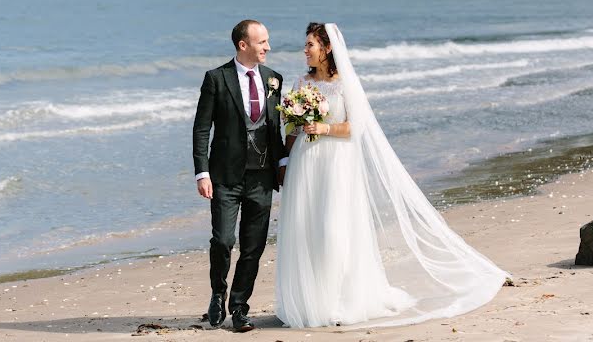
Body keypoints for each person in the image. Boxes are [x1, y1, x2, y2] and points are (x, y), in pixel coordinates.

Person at [275, 23, 508, 329]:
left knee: (333, 230)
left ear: (327, 48)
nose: (305, 51)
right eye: (305, 46)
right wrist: (284, 162)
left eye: (310, 45)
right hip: (306, 163)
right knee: (307, 231)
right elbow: (291, 128)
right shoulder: (300, 82)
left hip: (336, 164)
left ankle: (337, 302)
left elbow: (355, 128)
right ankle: (309, 302)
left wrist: (325, 127)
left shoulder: (344, 83)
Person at [192, 19, 288, 332]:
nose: (268, 47)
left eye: (268, 41)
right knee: (222, 240)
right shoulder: (216, 79)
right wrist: (201, 172)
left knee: (253, 246)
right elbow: (202, 128)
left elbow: (276, 129)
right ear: (243, 45)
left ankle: (240, 307)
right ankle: (218, 293)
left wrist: (284, 166)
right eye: (262, 42)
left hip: (262, 177)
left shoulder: (274, 79)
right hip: (225, 177)